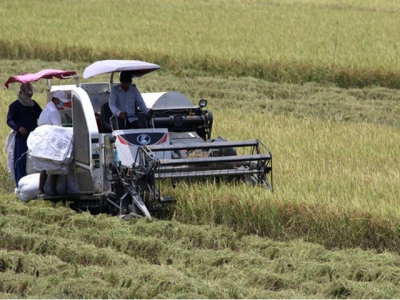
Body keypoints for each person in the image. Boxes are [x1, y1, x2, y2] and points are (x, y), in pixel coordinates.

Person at [6, 83, 42, 187]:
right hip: (21, 138)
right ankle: (20, 185)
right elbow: (9, 120)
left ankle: (33, 185)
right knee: (20, 161)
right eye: (27, 95)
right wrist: (19, 128)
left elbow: (41, 115)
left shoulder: (33, 105)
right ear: (21, 93)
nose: (28, 98)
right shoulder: (15, 106)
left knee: (34, 161)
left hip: (34, 137)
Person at [37, 90, 69, 196]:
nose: (62, 103)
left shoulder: (47, 108)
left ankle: (41, 189)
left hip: (44, 140)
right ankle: (53, 191)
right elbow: (58, 129)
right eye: (61, 101)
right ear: (56, 99)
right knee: (54, 167)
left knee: (45, 167)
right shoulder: (54, 111)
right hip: (51, 142)